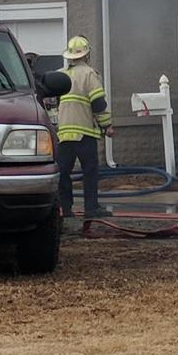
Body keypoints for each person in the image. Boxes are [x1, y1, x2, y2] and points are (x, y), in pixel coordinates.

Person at [55, 35, 113, 220]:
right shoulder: (89, 74)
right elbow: (98, 103)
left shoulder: (59, 75)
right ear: (87, 55)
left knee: (63, 172)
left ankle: (65, 209)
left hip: (64, 134)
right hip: (84, 133)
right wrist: (107, 125)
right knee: (90, 171)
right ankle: (91, 208)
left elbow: (53, 104)